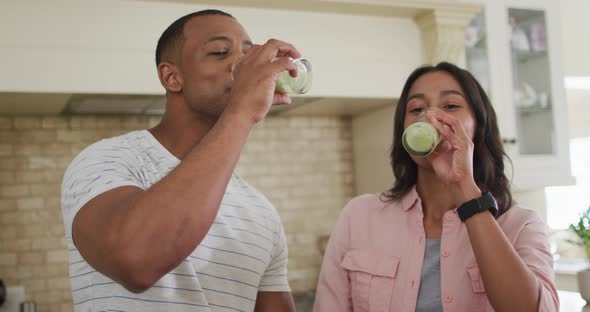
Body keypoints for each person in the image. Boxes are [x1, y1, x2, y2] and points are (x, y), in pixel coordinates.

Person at [61, 9, 300, 312]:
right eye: (220, 52)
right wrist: (241, 112)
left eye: (248, 54)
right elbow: (135, 262)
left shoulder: (261, 211)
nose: (242, 65)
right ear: (171, 77)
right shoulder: (107, 161)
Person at [313, 62, 559, 311]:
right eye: (417, 108)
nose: (431, 117)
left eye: (451, 106)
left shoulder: (520, 225)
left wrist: (464, 187)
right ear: (404, 130)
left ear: (479, 125)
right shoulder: (358, 215)